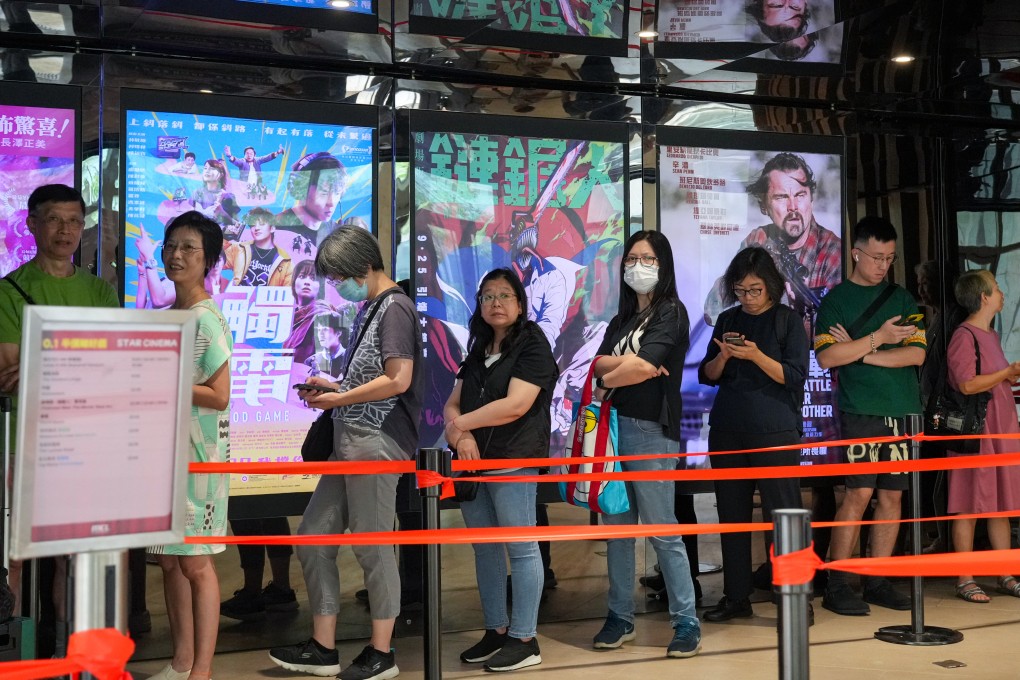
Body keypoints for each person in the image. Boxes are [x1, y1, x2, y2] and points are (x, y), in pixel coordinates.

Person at [269, 226, 423, 680]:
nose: (336, 286)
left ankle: (382, 652)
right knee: (314, 537)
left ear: (363, 266)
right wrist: (335, 387)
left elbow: (399, 379)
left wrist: (338, 398)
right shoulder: (372, 306)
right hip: (351, 441)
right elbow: (375, 378)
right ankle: (323, 646)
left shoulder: (395, 307)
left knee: (373, 546)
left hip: (377, 442)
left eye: (338, 276)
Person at [0, 184, 119, 654]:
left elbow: (112, 369)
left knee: (75, 556)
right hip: (20, 441)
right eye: (54, 219)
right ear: (32, 223)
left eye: (74, 220)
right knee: (12, 555)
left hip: (83, 444)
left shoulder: (100, 291)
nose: (65, 230)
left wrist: (42, 363)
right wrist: (81, 363)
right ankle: (9, 652)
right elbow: (9, 371)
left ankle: (70, 654)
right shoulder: (8, 290)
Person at [590, 230, 701, 659]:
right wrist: (624, 368)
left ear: (663, 265)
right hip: (613, 430)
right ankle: (619, 616)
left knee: (661, 529)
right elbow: (600, 364)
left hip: (652, 429)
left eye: (648, 259)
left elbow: (639, 367)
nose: (638, 266)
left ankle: (686, 621)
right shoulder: (620, 321)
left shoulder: (671, 312)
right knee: (618, 531)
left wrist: (611, 379)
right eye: (632, 258)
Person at [443, 268, 558, 672]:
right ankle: (496, 629)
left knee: (521, 549)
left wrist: (461, 425)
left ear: (521, 304)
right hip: (472, 464)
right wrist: (461, 436)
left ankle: (525, 639)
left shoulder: (533, 343)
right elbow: (452, 403)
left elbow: (516, 405)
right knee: (485, 549)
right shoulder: (479, 346)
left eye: (505, 295)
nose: (496, 303)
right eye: (488, 296)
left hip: (513, 460)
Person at [814, 216, 926, 616]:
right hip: (860, 410)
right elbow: (828, 356)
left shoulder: (902, 298)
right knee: (858, 493)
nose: (883, 265)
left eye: (890, 258)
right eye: (876, 257)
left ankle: (877, 579)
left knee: (892, 496)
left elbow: (916, 355)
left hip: (904, 410)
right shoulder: (836, 300)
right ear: (855, 253)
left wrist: (862, 352)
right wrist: (879, 338)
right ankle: (838, 582)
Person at [698, 247, 808, 621]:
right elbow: (707, 375)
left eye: (754, 290)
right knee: (732, 515)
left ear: (771, 286)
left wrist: (756, 355)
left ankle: (793, 597)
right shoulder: (728, 319)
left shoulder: (787, 320)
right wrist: (725, 356)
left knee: (785, 515)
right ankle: (736, 596)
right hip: (728, 429)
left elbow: (794, 376)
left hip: (775, 431)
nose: (747, 297)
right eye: (740, 290)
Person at [148, 210, 232, 680]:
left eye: (188, 248)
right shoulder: (170, 316)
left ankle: (201, 670)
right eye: (171, 246)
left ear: (209, 260)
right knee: (169, 561)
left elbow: (219, 396)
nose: (176, 255)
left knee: (196, 564)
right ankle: (181, 663)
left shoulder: (206, 318)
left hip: (198, 460)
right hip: (164, 455)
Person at [943, 270, 1020, 603]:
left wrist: (1008, 377)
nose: (1002, 293)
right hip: (976, 433)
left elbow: (991, 379)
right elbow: (966, 384)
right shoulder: (964, 335)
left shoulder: (991, 334)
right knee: (969, 505)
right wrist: (1006, 372)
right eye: (997, 288)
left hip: (1000, 429)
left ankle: (1005, 572)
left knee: (1000, 504)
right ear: (984, 297)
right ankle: (965, 577)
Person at [705, 152, 841, 327]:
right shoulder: (759, 239)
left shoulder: (831, 251)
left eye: (800, 195)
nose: (793, 207)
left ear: (811, 199)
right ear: (764, 206)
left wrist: (799, 312)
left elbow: (836, 329)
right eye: (781, 197)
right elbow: (712, 311)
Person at [274, 151, 347, 251]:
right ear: (301, 188)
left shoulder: (337, 233)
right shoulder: (275, 229)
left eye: (337, 192)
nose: (331, 203)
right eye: (324, 192)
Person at [223, 208, 293, 287]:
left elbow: (288, 290)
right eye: (253, 225)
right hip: (239, 294)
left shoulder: (285, 261)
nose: (256, 228)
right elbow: (215, 262)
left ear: (272, 228)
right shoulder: (239, 248)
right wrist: (225, 236)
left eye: (261, 224)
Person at [284, 259, 330, 367]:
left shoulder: (323, 316)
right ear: (294, 282)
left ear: (320, 286)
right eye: (302, 276)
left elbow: (326, 365)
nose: (307, 282)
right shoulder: (287, 318)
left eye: (313, 278)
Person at [191, 159, 240, 237]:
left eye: (212, 169)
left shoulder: (228, 197)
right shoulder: (196, 193)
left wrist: (222, 211)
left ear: (221, 174)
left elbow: (237, 226)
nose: (207, 171)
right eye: (205, 168)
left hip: (216, 239)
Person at [311, 311, 347, 380]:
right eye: (318, 330)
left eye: (325, 329)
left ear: (339, 332)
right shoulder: (311, 361)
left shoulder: (349, 358)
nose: (320, 334)